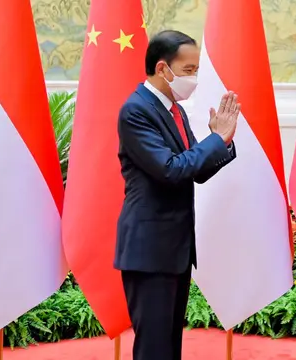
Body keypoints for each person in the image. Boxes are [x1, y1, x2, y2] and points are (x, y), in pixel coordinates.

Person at [114, 30, 239, 360]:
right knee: (154, 348)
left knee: (169, 347)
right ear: (162, 68)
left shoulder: (175, 110)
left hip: (174, 250)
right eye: (188, 71)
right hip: (150, 251)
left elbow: (193, 171)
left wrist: (221, 142)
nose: (194, 79)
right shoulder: (136, 111)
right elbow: (170, 169)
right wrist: (216, 140)